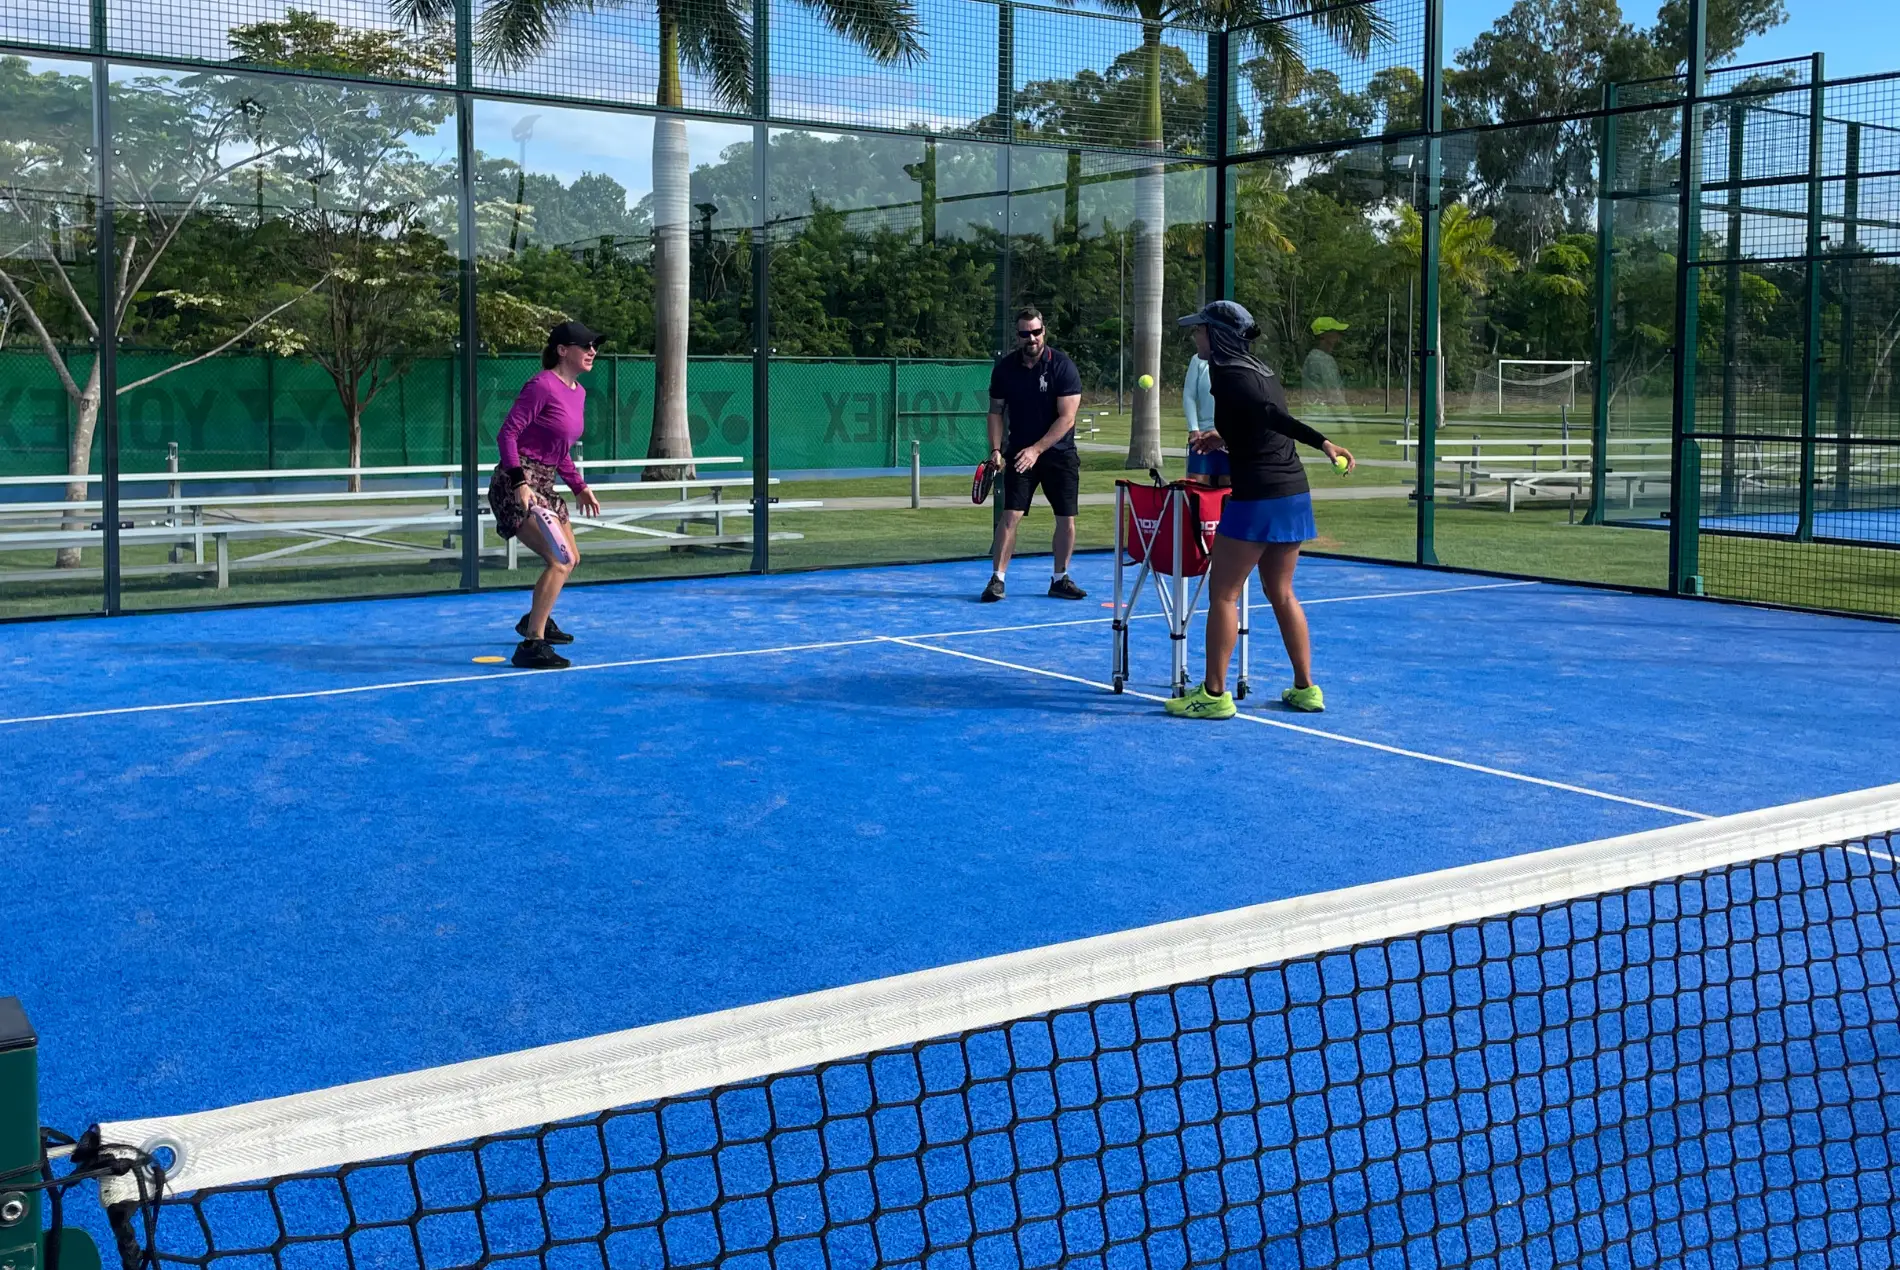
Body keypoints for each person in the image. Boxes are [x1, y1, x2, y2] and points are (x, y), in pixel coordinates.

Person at [1165, 301, 1354, 719]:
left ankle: (1214, 696)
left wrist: (1324, 442)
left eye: (1200, 330)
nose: (1195, 336)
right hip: (1291, 492)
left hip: (1259, 496)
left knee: (1224, 592)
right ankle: (1305, 689)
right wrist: (1222, 435)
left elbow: (1273, 416)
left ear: (1218, 336)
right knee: (1281, 592)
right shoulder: (1259, 369)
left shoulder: (1228, 374)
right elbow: (1257, 423)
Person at [488, 319, 604, 669]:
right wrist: (520, 483)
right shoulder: (542, 385)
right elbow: (507, 434)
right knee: (560, 560)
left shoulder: (578, 393)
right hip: (516, 484)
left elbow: (559, 450)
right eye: (585, 346)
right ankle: (531, 644)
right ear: (562, 350)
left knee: (572, 559)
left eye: (594, 347)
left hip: (545, 483)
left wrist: (580, 487)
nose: (592, 352)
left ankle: (534, 618)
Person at [980, 307, 1086, 603]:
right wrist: (996, 450)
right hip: (1018, 455)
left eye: (1036, 332)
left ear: (1044, 332)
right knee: (1010, 516)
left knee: (1066, 518)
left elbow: (1067, 418)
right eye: (1025, 334)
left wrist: (1037, 450)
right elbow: (995, 411)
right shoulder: (1004, 369)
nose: (1032, 338)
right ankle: (997, 580)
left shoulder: (1063, 366)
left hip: (1059, 454)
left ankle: (1060, 578)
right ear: (1017, 337)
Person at [1182, 350, 1229, 487]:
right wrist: (1193, 428)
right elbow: (1189, 395)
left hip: (1228, 436)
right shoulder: (1197, 360)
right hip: (1202, 435)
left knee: (1229, 484)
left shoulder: (1237, 360)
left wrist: (1229, 432)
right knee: (1197, 483)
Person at [1301, 316, 1350, 421]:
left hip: (1312, 418)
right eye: (1335, 333)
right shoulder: (1323, 360)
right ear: (1324, 335)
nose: (1338, 338)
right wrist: (1348, 422)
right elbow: (1334, 396)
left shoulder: (1311, 357)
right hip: (1324, 419)